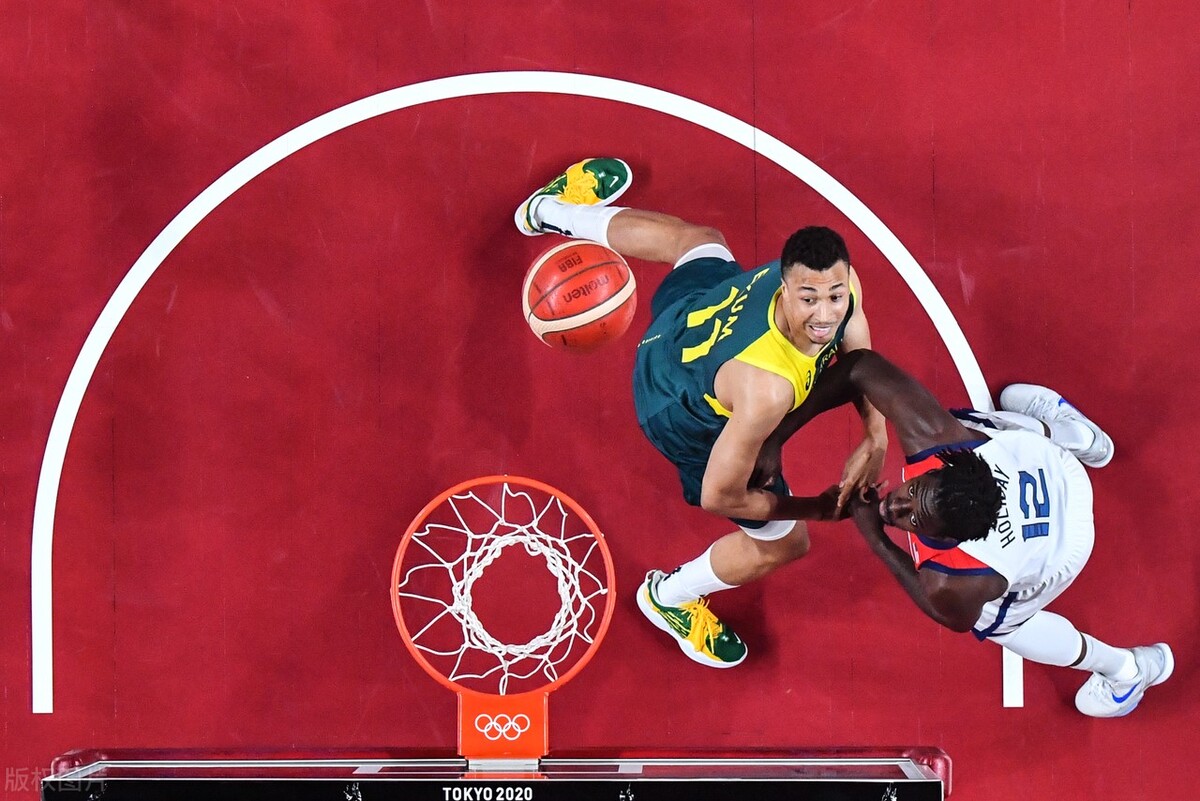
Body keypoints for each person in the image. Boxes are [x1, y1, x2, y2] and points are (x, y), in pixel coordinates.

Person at [515, 158, 888, 668]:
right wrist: (817, 510)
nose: (825, 314)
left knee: (700, 242)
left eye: (835, 297)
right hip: (676, 408)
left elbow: (858, 349)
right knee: (785, 544)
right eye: (809, 299)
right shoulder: (767, 392)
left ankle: (550, 211)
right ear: (783, 286)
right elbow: (720, 496)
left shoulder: (838, 290)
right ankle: (669, 598)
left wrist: (876, 433)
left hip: (691, 318)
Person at [776, 348, 1172, 718]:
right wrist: (775, 436)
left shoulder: (966, 577)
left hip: (1064, 546)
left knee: (997, 623)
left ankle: (1126, 669)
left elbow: (951, 618)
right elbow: (860, 366)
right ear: (942, 467)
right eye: (912, 492)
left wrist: (876, 538)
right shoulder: (939, 439)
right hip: (1060, 468)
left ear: (953, 539)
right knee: (971, 425)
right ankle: (1085, 439)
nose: (894, 506)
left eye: (913, 519)